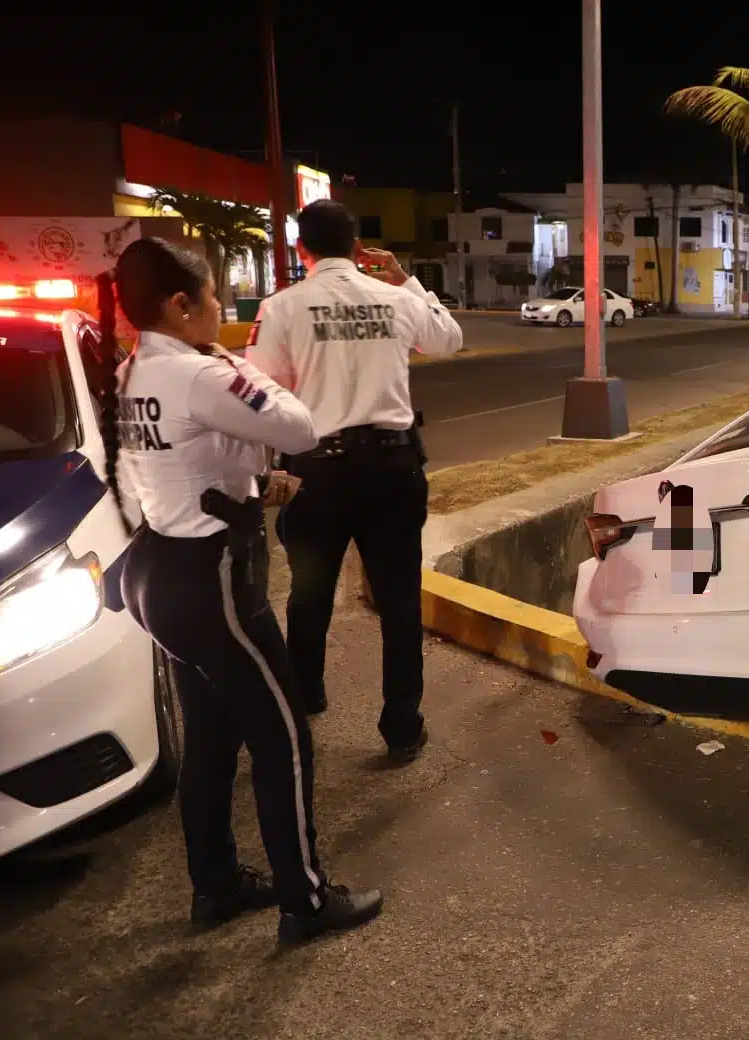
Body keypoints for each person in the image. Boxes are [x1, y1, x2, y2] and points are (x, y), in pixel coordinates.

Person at [99, 237, 383, 944]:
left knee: (213, 739)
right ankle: (306, 902)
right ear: (179, 304)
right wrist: (232, 362)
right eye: (212, 297)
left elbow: (179, 467)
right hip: (213, 582)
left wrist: (254, 487)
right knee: (284, 737)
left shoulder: (130, 373)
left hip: (158, 570)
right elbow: (298, 423)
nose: (221, 310)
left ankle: (217, 884)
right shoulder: (201, 374)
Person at [246, 199, 462, 762]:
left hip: (317, 471)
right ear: (358, 248)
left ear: (302, 250)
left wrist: (271, 466)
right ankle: (401, 726)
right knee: (398, 602)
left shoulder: (282, 308)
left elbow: (261, 395)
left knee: (310, 593)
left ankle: (304, 699)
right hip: (392, 470)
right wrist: (406, 280)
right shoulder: (394, 299)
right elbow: (449, 340)